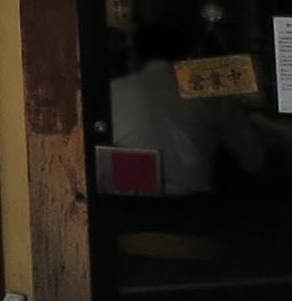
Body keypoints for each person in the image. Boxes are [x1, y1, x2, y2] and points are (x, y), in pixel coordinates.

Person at [110, 21, 266, 196]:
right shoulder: (206, 88)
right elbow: (255, 159)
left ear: (135, 54)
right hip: (191, 204)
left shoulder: (114, 90)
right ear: (188, 52)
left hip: (125, 203)